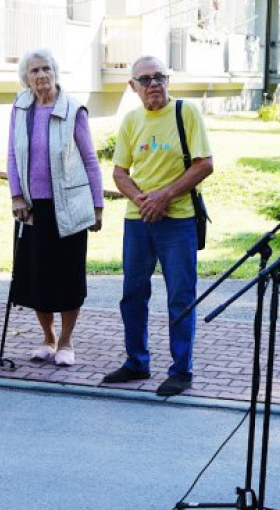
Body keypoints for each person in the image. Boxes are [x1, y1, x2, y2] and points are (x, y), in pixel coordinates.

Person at [102, 55, 213, 397]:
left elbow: (204, 164)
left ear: (169, 80)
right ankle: (137, 361)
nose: (153, 85)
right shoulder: (131, 121)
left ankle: (181, 370)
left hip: (177, 221)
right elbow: (120, 172)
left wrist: (164, 196)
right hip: (139, 221)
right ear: (132, 86)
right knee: (133, 294)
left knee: (181, 296)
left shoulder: (186, 112)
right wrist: (142, 200)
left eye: (159, 77)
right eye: (145, 79)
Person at [7, 47, 103, 366]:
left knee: (68, 276)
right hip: (34, 209)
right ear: (26, 78)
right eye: (34, 71)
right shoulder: (21, 108)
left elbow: (90, 159)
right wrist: (16, 195)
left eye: (46, 68)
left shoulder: (73, 109)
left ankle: (66, 341)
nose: (41, 75)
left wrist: (97, 205)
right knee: (37, 277)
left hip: (70, 206)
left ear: (55, 72)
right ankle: (47, 339)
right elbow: (12, 155)